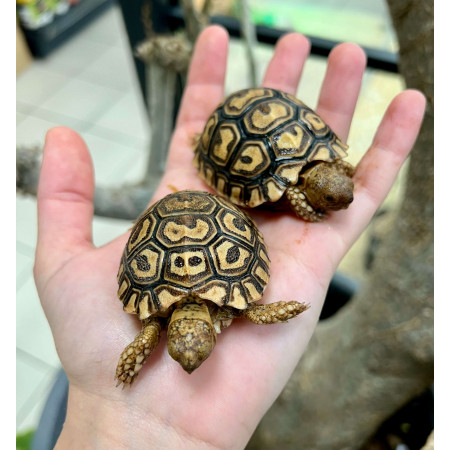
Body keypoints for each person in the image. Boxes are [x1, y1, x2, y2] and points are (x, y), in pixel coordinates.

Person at [33, 25, 425, 448]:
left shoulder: (151, 325)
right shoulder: (172, 325)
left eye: (188, 352)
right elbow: (251, 311)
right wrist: (112, 405)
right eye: (194, 355)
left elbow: (236, 313)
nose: (189, 364)